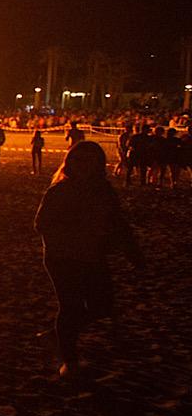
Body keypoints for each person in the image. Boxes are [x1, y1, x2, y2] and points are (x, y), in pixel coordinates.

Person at [34, 141, 143, 377]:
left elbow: (119, 224)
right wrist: (75, 231)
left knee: (102, 306)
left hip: (93, 255)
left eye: (90, 161)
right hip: (62, 257)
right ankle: (69, 361)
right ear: (69, 163)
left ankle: (56, 335)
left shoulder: (104, 191)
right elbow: (41, 224)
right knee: (70, 306)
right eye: (78, 160)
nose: (83, 165)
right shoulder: (60, 191)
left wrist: (132, 252)